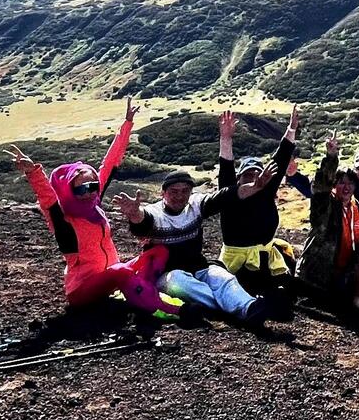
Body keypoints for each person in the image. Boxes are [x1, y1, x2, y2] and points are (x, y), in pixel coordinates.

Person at [9, 99, 181, 320]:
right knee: (121, 272)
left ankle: (140, 290)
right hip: (82, 289)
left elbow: (109, 163)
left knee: (158, 251)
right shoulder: (63, 219)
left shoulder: (94, 203)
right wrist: (33, 172)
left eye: (93, 187)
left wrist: (127, 124)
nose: (90, 193)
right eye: (82, 189)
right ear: (70, 190)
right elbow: (47, 197)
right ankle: (167, 309)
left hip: (111, 278)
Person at [113, 117, 266, 325]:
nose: (179, 196)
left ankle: (249, 308)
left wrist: (254, 187)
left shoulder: (196, 204)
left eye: (185, 191)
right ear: (163, 193)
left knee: (223, 277)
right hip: (167, 275)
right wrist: (133, 214)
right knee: (180, 283)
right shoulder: (155, 212)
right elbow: (143, 224)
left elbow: (227, 195)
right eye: (174, 192)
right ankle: (230, 308)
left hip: (199, 267)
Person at [213, 106, 300, 310]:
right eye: (248, 176)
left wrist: (292, 128)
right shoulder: (230, 194)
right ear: (239, 178)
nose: (254, 179)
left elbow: (281, 157)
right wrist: (226, 139)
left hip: (265, 258)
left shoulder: (267, 192)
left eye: (257, 175)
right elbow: (225, 166)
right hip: (237, 263)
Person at [298, 132, 359, 305]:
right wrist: (331, 157)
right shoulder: (325, 204)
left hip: (343, 277)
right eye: (341, 182)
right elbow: (321, 186)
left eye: (350, 183)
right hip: (315, 278)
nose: (346, 187)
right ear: (334, 185)